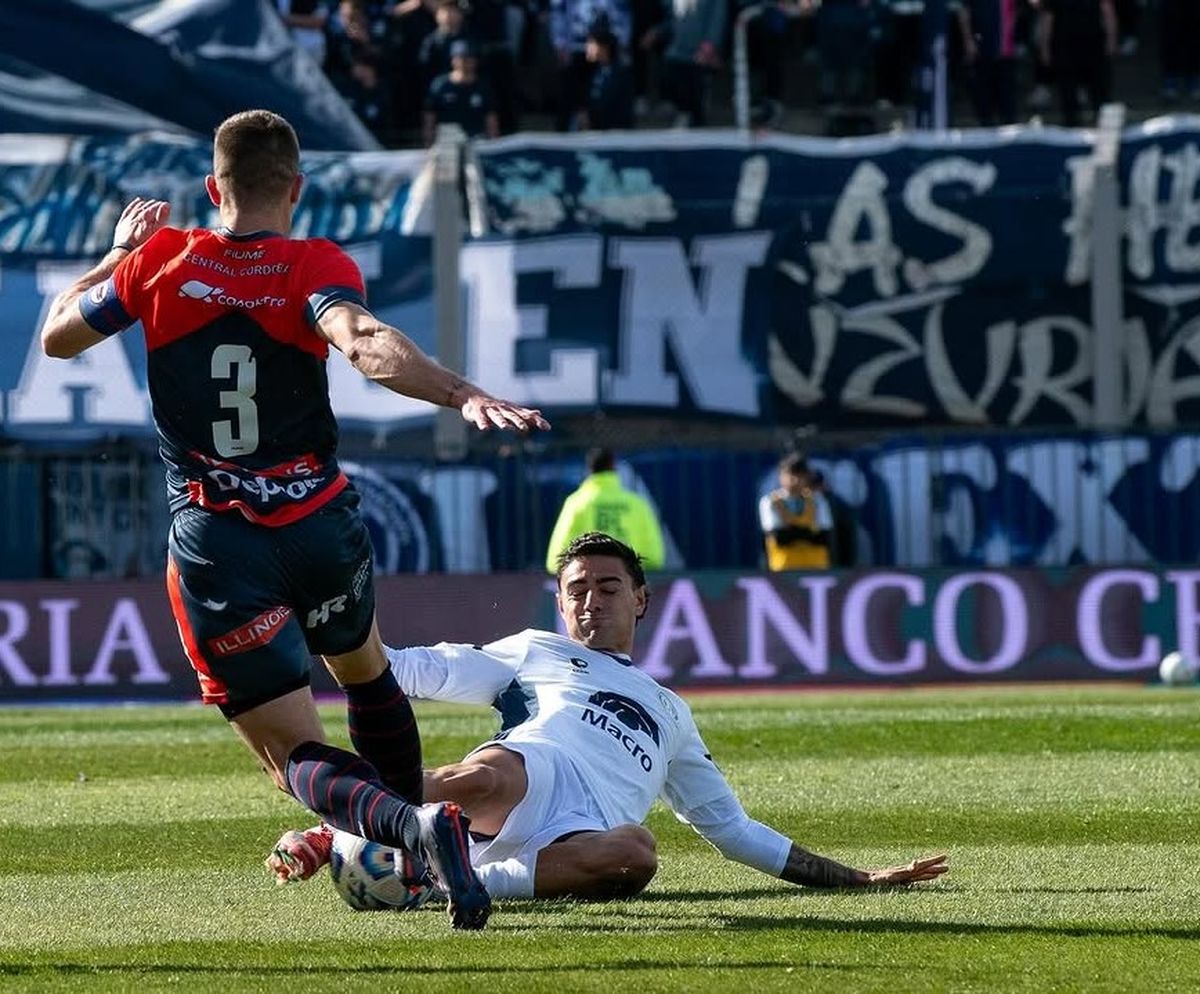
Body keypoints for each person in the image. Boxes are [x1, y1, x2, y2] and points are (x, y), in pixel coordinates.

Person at [40, 109, 551, 929]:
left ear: (214, 188)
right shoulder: (314, 263)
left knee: (288, 750)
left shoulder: (162, 262)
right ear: (297, 189)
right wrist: (462, 393)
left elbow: (57, 339)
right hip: (319, 523)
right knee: (365, 670)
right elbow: (365, 342)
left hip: (220, 543)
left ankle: (415, 827)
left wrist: (115, 255)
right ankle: (418, 863)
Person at [269, 532, 949, 900]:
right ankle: (333, 828)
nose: (591, 600)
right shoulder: (533, 650)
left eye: (608, 586)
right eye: (577, 590)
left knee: (637, 855)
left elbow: (734, 831)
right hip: (519, 783)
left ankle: (448, 880)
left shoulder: (672, 712)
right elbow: (407, 669)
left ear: (642, 600)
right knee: (490, 773)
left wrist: (855, 878)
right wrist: (330, 620)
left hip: (577, 835)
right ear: (562, 605)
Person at [545, 447, 664, 574]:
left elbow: (555, 561)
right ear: (613, 466)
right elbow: (655, 557)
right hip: (629, 581)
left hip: (590, 579)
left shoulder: (577, 502)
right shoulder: (636, 503)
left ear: (589, 468)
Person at [759, 453, 832, 571]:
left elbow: (824, 537)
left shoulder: (817, 500)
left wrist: (792, 532)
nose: (796, 480)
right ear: (781, 476)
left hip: (816, 568)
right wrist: (809, 533)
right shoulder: (770, 502)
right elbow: (779, 538)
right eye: (791, 474)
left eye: (800, 475)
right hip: (783, 569)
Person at [423, 39, 501, 144]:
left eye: (469, 58)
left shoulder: (483, 86)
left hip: (477, 139)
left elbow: (491, 118)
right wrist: (429, 143)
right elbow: (430, 117)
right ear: (453, 60)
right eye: (461, 58)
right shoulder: (441, 85)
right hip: (447, 140)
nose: (464, 63)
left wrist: (493, 142)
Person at [580, 24, 634, 129]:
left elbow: (622, 111)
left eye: (591, 43)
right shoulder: (593, 72)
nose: (587, 47)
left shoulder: (622, 75)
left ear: (604, 47)